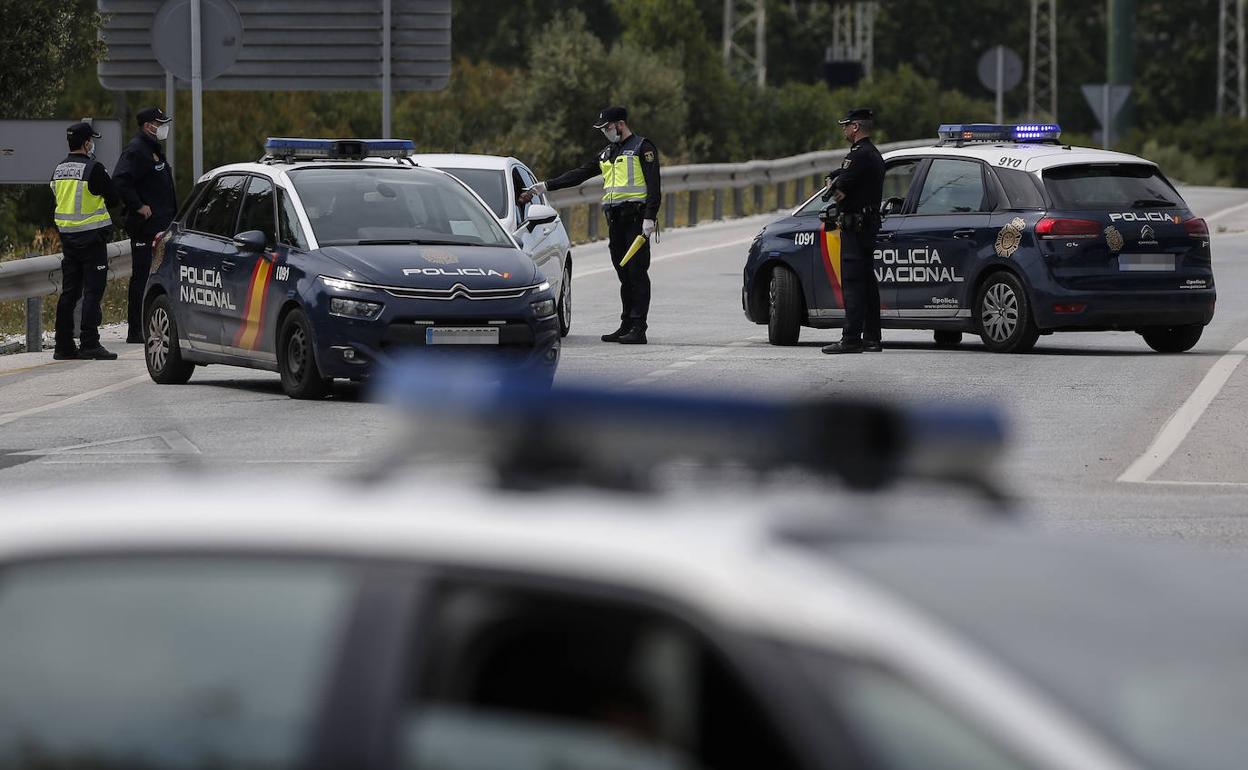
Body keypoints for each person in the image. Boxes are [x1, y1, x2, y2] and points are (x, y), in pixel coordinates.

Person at [521, 106, 661, 344]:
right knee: (623, 273)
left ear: (620, 124)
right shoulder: (608, 153)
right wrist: (545, 186)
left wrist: (650, 217)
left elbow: (654, 185)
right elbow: (580, 174)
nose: (605, 132)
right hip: (616, 221)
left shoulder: (642, 148)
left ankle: (639, 327)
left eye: (607, 127)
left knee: (637, 274)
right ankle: (626, 323)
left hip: (636, 221)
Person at [49, 122, 120, 360]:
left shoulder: (58, 169)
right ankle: (90, 343)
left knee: (69, 293)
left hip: (68, 240)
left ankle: (63, 345)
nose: (93, 144)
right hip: (92, 240)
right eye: (92, 140)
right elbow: (113, 198)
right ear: (86, 143)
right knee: (92, 292)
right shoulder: (93, 169)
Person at [820, 108, 885, 355]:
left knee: (853, 285)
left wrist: (833, 185)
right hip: (866, 227)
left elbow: (840, 189)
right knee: (867, 284)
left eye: (846, 125)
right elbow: (841, 178)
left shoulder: (859, 156)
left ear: (855, 127)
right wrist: (835, 179)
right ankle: (871, 338)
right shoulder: (873, 154)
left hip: (855, 228)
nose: (844, 130)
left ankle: (851, 339)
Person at [113, 107, 176, 344]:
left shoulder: (152, 149)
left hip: (160, 226)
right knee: (142, 278)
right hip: (145, 227)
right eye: (160, 123)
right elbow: (120, 180)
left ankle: (149, 324)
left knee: (155, 277)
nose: (163, 127)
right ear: (149, 126)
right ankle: (136, 330)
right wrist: (139, 206)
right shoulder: (137, 150)